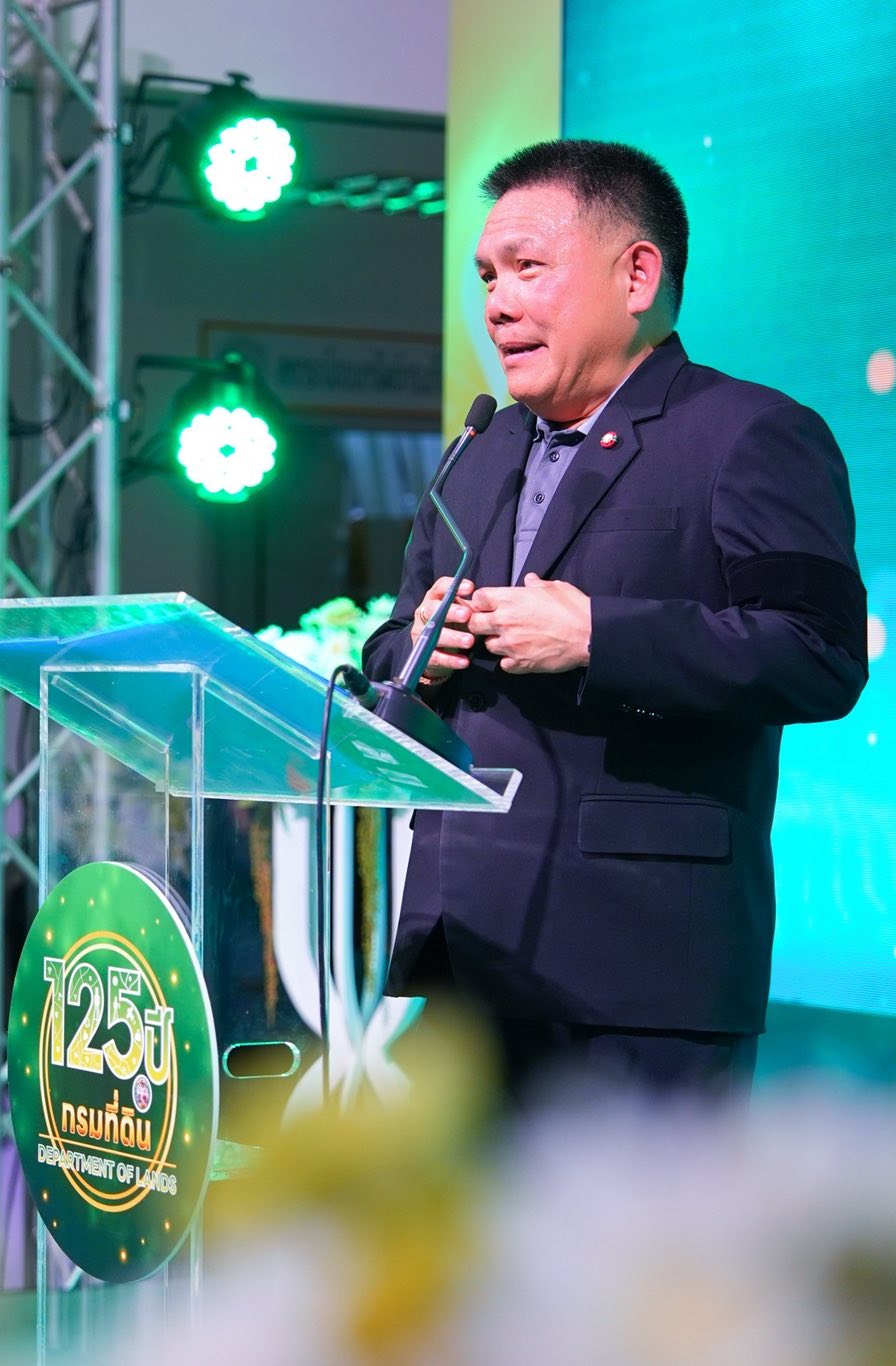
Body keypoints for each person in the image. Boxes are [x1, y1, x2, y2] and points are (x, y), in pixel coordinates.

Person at [362, 140, 868, 1102]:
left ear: (637, 275)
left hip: (642, 965)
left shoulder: (750, 433)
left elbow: (820, 653)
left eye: (527, 268)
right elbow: (387, 647)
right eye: (487, 277)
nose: (497, 303)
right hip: (465, 955)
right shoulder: (477, 450)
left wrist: (599, 637)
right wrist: (419, 651)